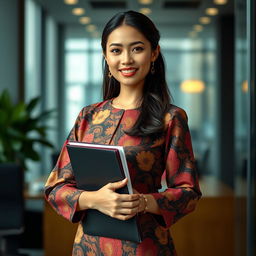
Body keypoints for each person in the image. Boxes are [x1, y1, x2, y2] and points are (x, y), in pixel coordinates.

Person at [45, 10, 201, 256]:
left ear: (154, 53)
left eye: (137, 48)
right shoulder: (88, 116)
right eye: (116, 50)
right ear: (106, 57)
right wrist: (95, 199)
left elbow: (188, 193)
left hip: (145, 247)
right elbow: (55, 188)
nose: (126, 59)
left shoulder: (170, 118)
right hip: (88, 248)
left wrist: (145, 202)